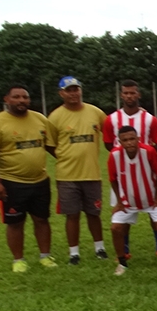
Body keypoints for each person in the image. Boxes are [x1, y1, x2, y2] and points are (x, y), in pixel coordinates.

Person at [0, 84, 58, 271]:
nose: (22, 100)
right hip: (12, 182)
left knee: (42, 219)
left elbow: (49, 146)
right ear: (6, 99)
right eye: (16, 97)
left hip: (40, 180)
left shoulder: (39, 119)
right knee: (15, 223)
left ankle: (45, 256)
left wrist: (66, 160)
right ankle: (18, 260)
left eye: (25, 97)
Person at [46, 76, 108, 265]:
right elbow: (49, 144)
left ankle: (100, 248)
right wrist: (64, 156)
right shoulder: (55, 116)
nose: (73, 93)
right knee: (71, 214)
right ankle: (74, 252)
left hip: (92, 173)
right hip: (67, 175)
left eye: (76, 89)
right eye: (69, 90)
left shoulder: (95, 112)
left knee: (94, 213)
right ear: (61, 93)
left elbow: (111, 131)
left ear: (81, 90)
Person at [103, 79, 157, 258]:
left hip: (146, 173)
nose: (129, 96)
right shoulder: (112, 119)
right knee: (123, 213)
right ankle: (125, 250)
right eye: (126, 93)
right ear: (121, 95)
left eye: (133, 93)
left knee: (154, 210)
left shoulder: (149, 119)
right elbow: (108, 144)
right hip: (123, 174)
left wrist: (146, 157)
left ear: (138, 94)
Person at [108, 126, 157, 275]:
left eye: (132, 139)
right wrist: (119, 201)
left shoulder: (149, 151)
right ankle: (122, 263)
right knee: (115, 228)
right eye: (125, 140)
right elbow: (113, 180)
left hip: (151, 198)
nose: (129, 143)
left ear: (138, 139)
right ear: (120, 142)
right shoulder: (114, 155)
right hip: (127, 201)